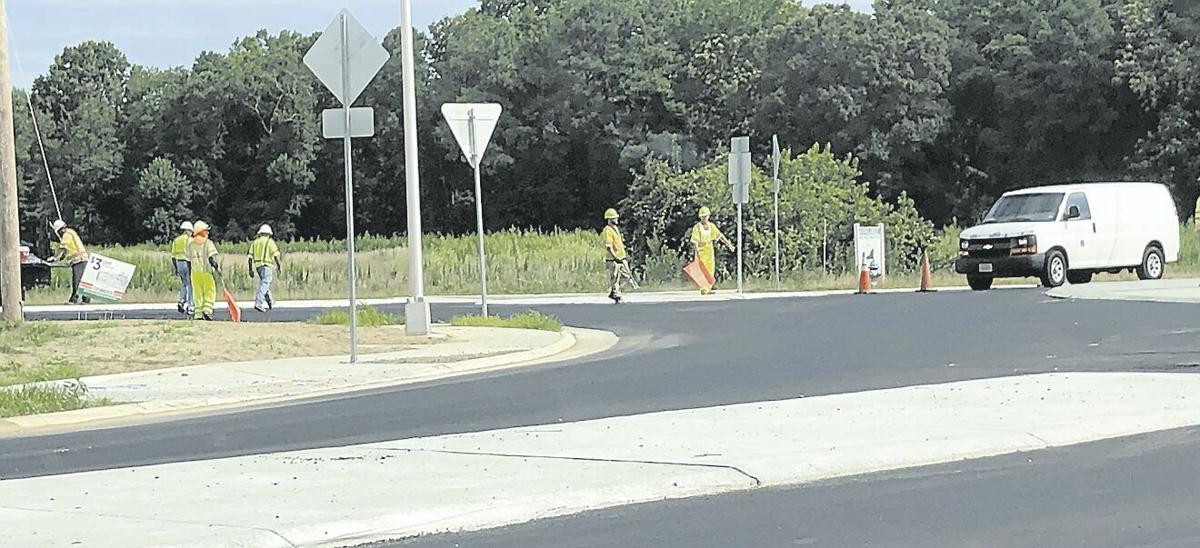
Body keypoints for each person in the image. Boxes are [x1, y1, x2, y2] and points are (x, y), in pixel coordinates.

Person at [690, 206, 735, 295]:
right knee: (703, 269)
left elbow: (720, 236)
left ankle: (708, 288)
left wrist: (729, 245)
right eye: (703, 216)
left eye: (706, 216)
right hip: (701, 250)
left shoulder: (711, 226)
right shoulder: (697, 227)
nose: (704, 218)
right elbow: (694, 241)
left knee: (710, 269)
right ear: (700, 217)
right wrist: (697, 252)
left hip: (709, 249)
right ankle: (703, 289)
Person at [185, 221, 220, 321]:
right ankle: (207, 310)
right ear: (201, 232)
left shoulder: (190, 244)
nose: (207, 233)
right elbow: (212, 258)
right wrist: (217, 268)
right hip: (206, 272)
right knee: (209, 291)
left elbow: (188, 261)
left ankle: (198, 314)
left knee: (197, 293)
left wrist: (189, 273)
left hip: (195, 273)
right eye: (206, 231)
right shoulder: (208, 243)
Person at [50, 219, 90, 304]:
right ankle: (85, 300)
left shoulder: (67, 234)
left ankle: (74, 300)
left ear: (60, 230)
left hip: (79, 259)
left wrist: (55, 257)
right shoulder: (70, 233)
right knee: (81, 281)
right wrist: (62, 257)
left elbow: (62, 247)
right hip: (79, 260)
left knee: (78, 281)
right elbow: (66, 249)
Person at [247, 224, 282, 313]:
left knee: (264, 283)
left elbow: (250, 257)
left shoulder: (255, 242)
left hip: (258, 266)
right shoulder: (270, 242)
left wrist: (250, 269)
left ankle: (270, 301)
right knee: (265, 283)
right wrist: (279, 267)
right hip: (267, 266)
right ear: (269, 233)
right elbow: (276, 256)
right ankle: (258, 302)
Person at [602, 208, 633, 303]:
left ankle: (614, 292)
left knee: (626, 276)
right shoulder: (608, 230)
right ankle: (616, 295)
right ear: (610, 219)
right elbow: (609, 246)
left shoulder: (615, 229)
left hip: (621, 258)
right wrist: (615, 257)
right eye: (615, 218)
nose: (617, 219)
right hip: (614, 259)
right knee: (615, 277)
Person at [171, 221, 195, 316]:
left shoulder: (176, 240)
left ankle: (181, 301)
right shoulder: (190, 240)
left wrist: (176, 268)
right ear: (188, 230)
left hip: (178, 263)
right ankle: (190, 306)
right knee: (190, 285)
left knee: (184, 283)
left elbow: (173, 256)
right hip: (187, 263)